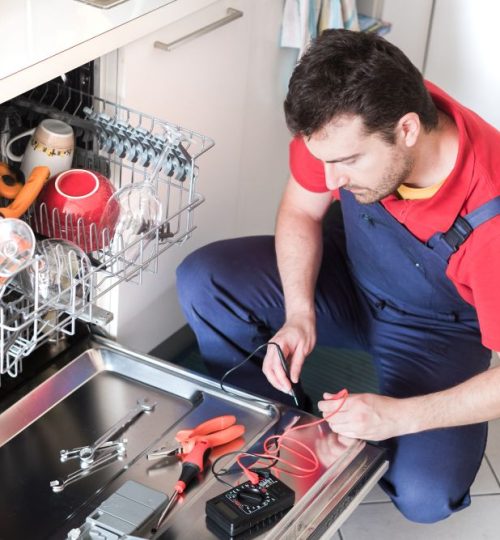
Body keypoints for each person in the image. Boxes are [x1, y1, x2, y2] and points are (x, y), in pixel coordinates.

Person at [176, 29, 500, 523]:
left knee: (426, 494)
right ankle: (276, 424)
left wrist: (398, 416)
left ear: (408, 130)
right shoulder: (342, 122)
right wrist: (299, 314)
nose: (331, 182)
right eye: (325, 162)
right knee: (206, 280)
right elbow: (302, 212)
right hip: (347, 277)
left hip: (437, 329)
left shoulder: (492, 221)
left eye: (347, 164)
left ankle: (375, 430)